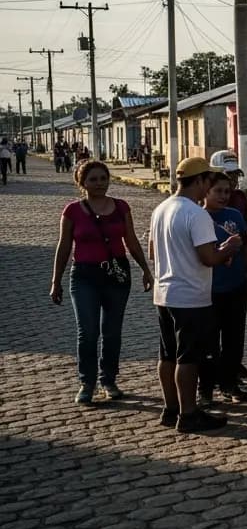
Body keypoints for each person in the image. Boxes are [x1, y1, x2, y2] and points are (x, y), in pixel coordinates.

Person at [149, 156, 244, 433]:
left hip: (164, 292)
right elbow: (208, 258)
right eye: (209, 182)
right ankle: (189, 413)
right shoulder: (196, 213)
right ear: (200, 181)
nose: (210, 188)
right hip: (190, 295)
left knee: (167, 354)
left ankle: (171, 408)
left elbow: (154, 251)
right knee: (188, 357)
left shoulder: (162, 208)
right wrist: (229, 247)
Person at [50, 160, 154, 403]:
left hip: (116, 274)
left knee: (112, 331)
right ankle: (86, 383)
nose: (99, 184)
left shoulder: (121, 207)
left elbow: (131, 240)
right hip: (84, 275)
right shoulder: (72, 211)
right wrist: (56, 280)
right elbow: (64, 246)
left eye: (103, 178)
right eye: (93, 179)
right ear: (82, 182)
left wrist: (145, 270)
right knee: (87, 332)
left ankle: (109, 379)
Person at [201, 171, 247, 404]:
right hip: (209, 289)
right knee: (208, 341)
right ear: (205, 191)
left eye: (227, 191)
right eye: (218, 191)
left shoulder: (234, 215)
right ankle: (205, 388)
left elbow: (245, 247)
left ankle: (230, 383)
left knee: (234, 338)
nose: (224, 196)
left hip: (236, 286)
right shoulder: (198, 217)